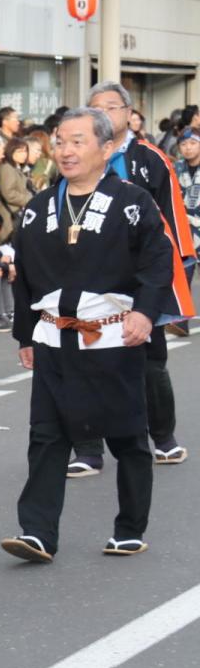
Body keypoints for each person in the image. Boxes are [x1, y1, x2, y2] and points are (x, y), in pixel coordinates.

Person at [1, 106, 192, 563]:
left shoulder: (132, 202)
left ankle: (129, 527)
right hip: (54, 338)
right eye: (60, 141)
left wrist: (145, 313)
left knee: (127, 436)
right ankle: (38, 532)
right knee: (46, 435)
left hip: (110, 336)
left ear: (106, 148)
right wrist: (25, 336)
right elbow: (25, 274)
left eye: (78, 141)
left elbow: (156, 261)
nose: (65, 151)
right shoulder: (40, 206)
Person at [67, 81, 195, 476]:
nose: (103, 114)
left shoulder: (151, 158)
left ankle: (163, 437)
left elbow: (172, 221)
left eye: (111, 107)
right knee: (84, 361)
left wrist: (175, 278)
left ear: (128, 112)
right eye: (94, 108)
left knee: (148, 360)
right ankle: (88, 449)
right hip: (89, 273)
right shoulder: (76, 157)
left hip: (142, 274)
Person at [0, 139, 34, 243]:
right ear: (11, 151)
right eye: (19, 151)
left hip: (16, 213)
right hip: (9, 215)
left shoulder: (17, 168)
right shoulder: (7, 168)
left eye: (25, 151)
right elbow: (9, 194)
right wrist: (29, 198)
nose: (24, 154)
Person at [174, 127, 200, 253]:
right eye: (183, 144)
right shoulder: (175, 168)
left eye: (193, 143)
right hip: (183, 230)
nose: (188, 147)